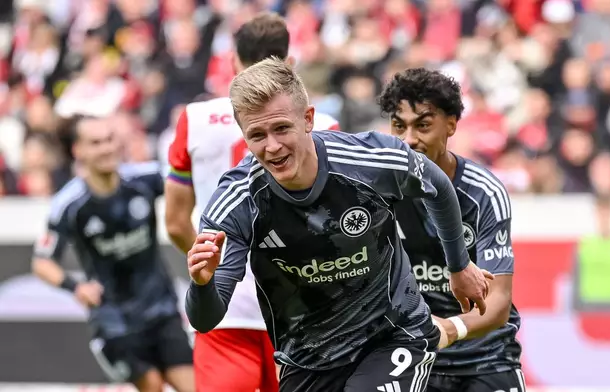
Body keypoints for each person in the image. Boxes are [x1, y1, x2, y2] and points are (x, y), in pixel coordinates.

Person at [184, 57, 492, 392]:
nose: (272, 146)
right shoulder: (236, 201)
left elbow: (439, 188)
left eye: (282, 128)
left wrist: (459, 266)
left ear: (308, 119)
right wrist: (202, 284)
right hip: (307, 358)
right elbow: (205, 320)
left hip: (391, 333)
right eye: (257, 135)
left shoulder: (372, 159)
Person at [164, 12, 338, 392]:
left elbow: (176, 223)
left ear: (232, 62)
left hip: (226, 311)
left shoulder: (193, 119)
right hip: (302, 308)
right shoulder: (321, 124)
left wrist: (216, 268)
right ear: (290, 65)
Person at [378, 68, 524, 392]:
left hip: (486, 357)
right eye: (399, 126)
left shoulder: (484, 193)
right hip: (413, 358)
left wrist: (449, 328)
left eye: (423, 125)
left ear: (452, 124)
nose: (408, 140)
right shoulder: (377, 191)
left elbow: (498, 303)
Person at [32, 116, 194, 392]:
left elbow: (189, 181)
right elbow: (42, 261)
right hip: (114, 322)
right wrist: (77, 287)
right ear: (78, 151)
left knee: (195, 387)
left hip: (161, 310)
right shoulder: (69, 203)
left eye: (109, 139)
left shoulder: (145, 178)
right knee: (152, 386)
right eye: (96, 143)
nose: (106, 148)